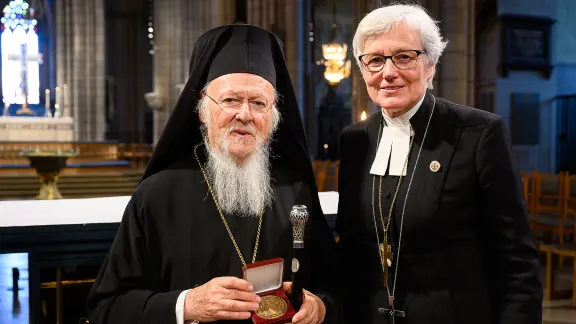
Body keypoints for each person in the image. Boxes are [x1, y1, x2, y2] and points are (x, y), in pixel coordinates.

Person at [87, 24, 338, 324]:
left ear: (273, 118)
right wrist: (187, 305)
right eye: (231, 100)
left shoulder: (295, 192)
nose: (245, 115)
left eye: (259, 103)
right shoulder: (156, 195)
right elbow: (107, 307)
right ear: (203, 111)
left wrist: (321, 307)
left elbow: (336, 289)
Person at [335, 4, 542, 324]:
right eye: (374, 60)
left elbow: (516, 261)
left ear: (430, 64)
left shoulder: (478, 133)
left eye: (404, 57)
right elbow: (350, 248)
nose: (388, 72)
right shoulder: (354, 140)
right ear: (362, 71)